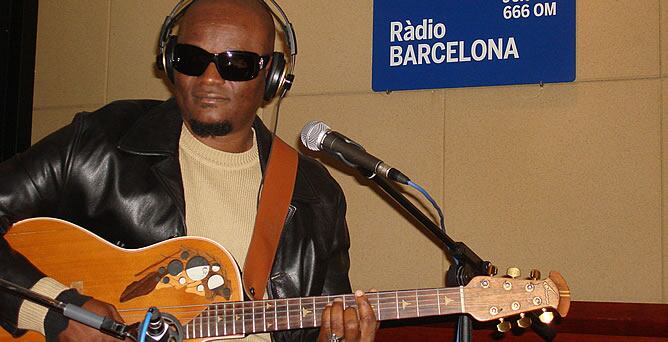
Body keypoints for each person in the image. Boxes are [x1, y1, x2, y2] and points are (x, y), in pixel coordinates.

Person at [0, 0, 377, 341]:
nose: (210, 79)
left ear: (273, 77)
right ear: (168, 61)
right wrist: (56, 310)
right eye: (191, 59)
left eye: (236, 63)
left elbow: (327, 326)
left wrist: (341, 339)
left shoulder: (315, 195)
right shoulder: (103, 143)